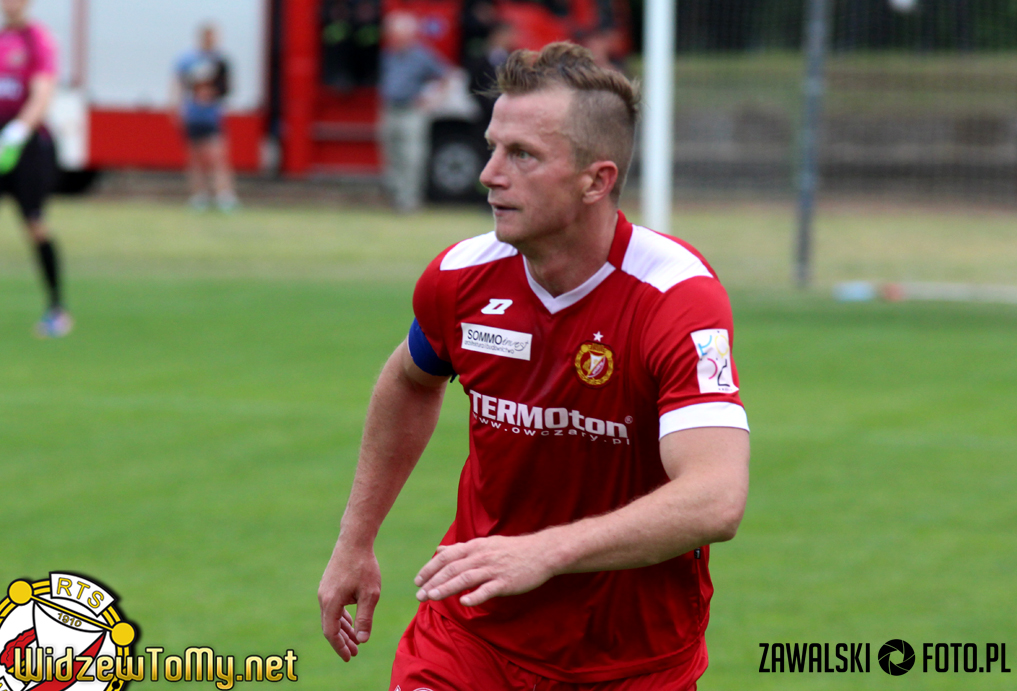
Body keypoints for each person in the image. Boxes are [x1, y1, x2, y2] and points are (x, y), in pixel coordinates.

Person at [319, 42, 750, 690]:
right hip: (469, 636)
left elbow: (715, 497)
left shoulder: (675, 297)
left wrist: (546, 551)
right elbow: (409, 381)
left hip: (633, 660)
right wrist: (355, 539)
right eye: (493, 147)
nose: (489, 174)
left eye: (522, 155)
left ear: (595, 180)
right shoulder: (460, 277)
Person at [0, 0, 67, 337]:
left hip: (26, 145)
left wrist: (16, 134)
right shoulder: (2, 39)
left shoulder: (37, 38)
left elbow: (42, 94)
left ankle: (56, 309)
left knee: (34, 224)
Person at [378, 11, 450, 212]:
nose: (393, 38)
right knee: (391, 155)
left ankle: (409, 200)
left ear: (409, 35)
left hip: (411, 111)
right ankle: (395, 196)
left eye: (397, 34)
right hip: (389, 109)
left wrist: (433, 100)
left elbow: (446, 76)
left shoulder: (421, 55)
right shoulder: (388, 55)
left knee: (411, 156)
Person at [172, 23, 238, 212]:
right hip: (193, 116)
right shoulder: (187, 60)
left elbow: (227, 88)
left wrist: (213, 94)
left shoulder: (220, 61)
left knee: (218, 157)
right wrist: (176, 109)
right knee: (195, 158)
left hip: (212, 117)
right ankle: (198, 196)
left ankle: (224, 195)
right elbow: (178, 85)